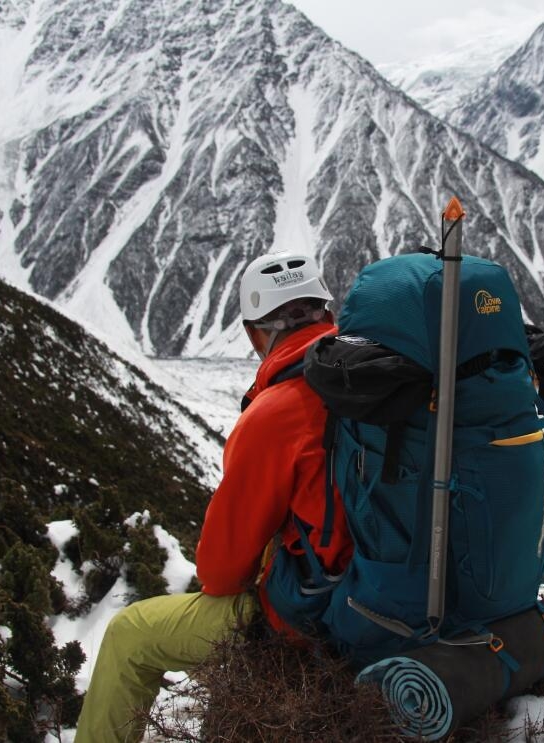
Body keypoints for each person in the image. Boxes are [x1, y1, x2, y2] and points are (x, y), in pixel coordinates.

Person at [75, 252, 352, 743]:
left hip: (315, 611)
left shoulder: (275, 413)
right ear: (327, 313)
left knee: (129, 635)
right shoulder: (377, 381)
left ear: (254, 333)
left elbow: (220, 573)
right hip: (392, 591)